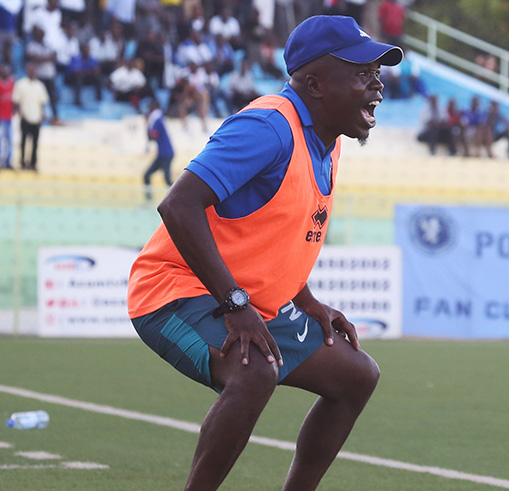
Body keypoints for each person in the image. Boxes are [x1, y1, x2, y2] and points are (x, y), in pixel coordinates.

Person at [126, 15, 402, 489]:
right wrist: (236, 305)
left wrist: (305, 299)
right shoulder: (268, 126)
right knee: (255, 372)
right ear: (315, 85)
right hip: (172, 292)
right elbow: (178, 205)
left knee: (357, 376)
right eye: (362, 73)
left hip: (247, 301)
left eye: (376, 73)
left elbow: (276, 232)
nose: (377, 86)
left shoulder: (327, 138)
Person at [11, 63, 49, 171]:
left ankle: (33, 163)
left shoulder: (40, 85)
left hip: (36, 118)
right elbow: (16, 101)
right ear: (27, 70)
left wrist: (42, 114)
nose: (32, 72)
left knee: (35, 143)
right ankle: (22, 163)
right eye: (30, 70)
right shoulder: (20, 84)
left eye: (34, 70)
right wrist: (20, 113)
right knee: (23, 142)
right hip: (25, 117)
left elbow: (42, 102)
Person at [143, 99, 174, 201]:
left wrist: (147, 124)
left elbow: (153, 135)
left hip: (165, 154)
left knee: (166, 178)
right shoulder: (159, 118)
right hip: (164, 153)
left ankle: (176, 199)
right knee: (148, 175)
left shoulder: (156, 119)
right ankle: (149, 199)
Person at [65, 42, 101, 107]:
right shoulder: (76, 58)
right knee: (79, 79)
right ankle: (77, 101)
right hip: (71, 79)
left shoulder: (91, 59)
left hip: (85, 77)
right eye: (85, 49)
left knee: (97, 78)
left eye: (88, 49)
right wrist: (89, 72)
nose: (87, 51)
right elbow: (76, 72)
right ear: (81, 50)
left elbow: (96, 70)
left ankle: (99, 99)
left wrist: (87, 72)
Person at [0, 64, 13, 169]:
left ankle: (8, 161)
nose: (6, 72)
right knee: (1, 140)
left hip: (9, 116)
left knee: (9, 140)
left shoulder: (12, 83)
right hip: (1, 117)